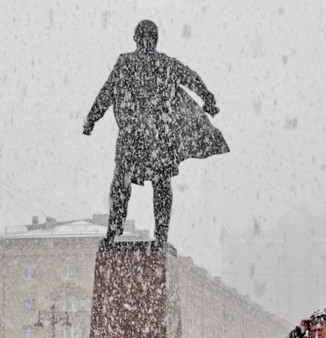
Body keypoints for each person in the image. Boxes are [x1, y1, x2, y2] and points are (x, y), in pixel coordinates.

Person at [83, 19, 229, 249]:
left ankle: (114, 231)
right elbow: (192, 78)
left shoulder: (126, 62)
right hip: (157, 137)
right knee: (158, 184)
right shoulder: (164, 64)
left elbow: (106, 93)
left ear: (135, 38)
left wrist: (92, 119)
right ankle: (160, 236)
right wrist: (207, 97)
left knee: (122, 181)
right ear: (154, 39)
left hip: (133, 136)